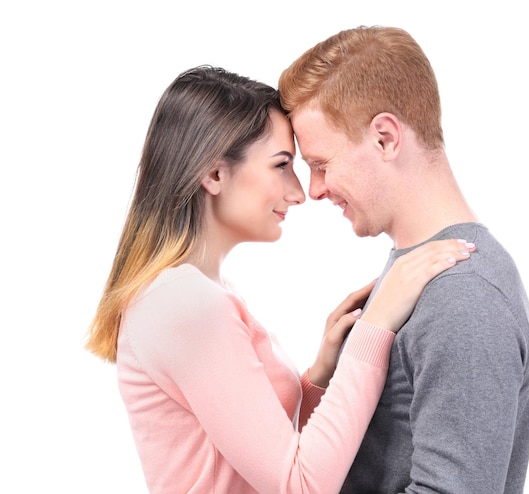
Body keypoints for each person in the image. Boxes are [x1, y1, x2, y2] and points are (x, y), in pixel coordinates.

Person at [84, 65, 475, 494]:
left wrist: (320, 376)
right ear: (214, 175)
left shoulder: (199, 293)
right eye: (282, 165)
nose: (300, 191)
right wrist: (374, 327)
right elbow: (300, 485)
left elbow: (266, 456)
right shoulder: (183, 302)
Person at [278, 25, 529, 494]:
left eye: (321, 164)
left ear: (385, 138)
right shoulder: (419, 276)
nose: (314, 190)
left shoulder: (464, 298)